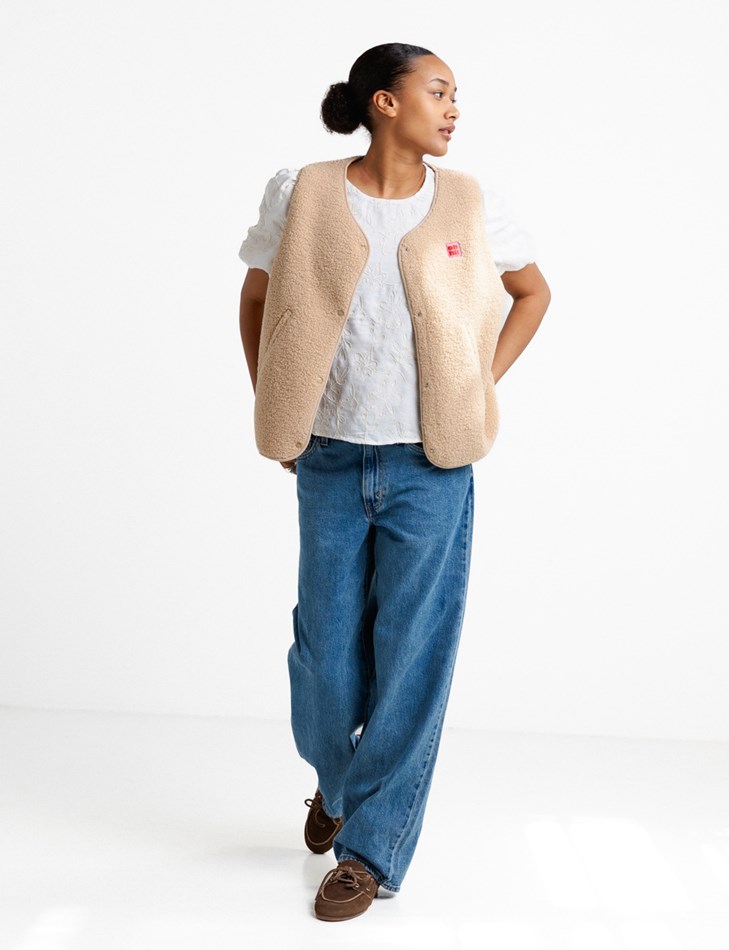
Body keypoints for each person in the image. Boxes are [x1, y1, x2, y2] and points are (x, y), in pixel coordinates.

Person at [238, 42, 551, 922]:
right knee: (326, 659)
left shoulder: (472, 203)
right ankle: (337, 782)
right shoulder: (301, 193)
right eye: (438, 91)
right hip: (330, 457)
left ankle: (369, 853)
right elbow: (257, 299)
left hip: (431, 466)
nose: (453, 109)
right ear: (385, 101)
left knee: (412, 658)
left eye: (456, 96)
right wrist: (278, 403)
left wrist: (479, 384)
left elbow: (532, 294)